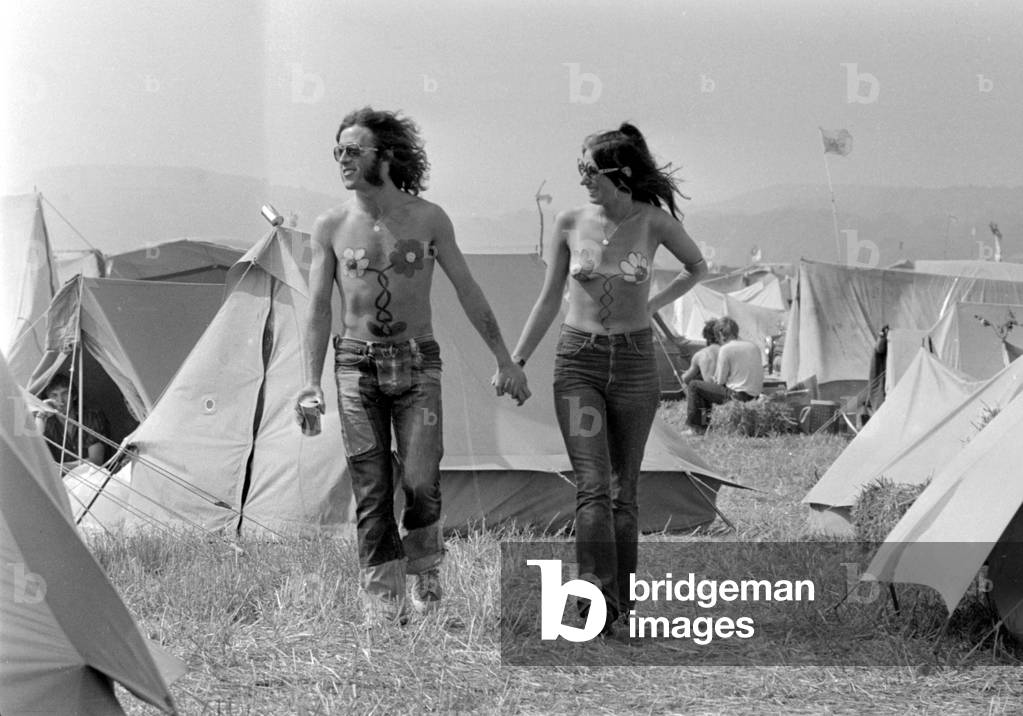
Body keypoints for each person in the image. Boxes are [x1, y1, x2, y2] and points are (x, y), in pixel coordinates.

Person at [296, 107, 530, 625]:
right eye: (338, 152)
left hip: (418, 363)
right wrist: (310, 383)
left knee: (421, 479)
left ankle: (425, 572)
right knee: (371, 484)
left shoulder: (429, 219)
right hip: (355, 366)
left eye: (353, 151)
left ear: (385, 156)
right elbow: (316, 307)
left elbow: (468, 290)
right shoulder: (330, 225)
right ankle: (384, 598)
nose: (343, 160)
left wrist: (503, 358)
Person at [510, 122, 706, 636]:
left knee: (625, 490)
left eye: (588, 171)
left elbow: (696, 267)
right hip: (579, 362)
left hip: (636, 364)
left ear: (619, 174)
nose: (582, 180)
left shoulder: (654, 223)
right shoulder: (570, 220)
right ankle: (591, 606)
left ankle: (621, 607)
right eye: (580, 170)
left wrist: (653, 304)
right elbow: (550, 296)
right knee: (593, 486)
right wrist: (517, 359)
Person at [684, 316, 764, 434]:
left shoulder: (726, 349)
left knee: (695, 385)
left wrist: (715, 378)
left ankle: (698, 427)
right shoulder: (753, 346)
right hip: (755, 396)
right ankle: (702, 425)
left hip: (738, 396)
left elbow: (720, 381)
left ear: (721, 335)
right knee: (703, 389)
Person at [34, 373, 110, 466]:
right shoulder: (47, 424)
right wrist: (41, 416)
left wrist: (60, 468)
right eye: (54, 395)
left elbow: (96, 461)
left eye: (65, 393)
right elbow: (34, 452)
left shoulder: (90, 416)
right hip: (66, 480)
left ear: (74, 396)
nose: (61, 400)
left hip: (98, 476)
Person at [681, 319, 720, 386]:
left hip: (711, 392)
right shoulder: (729, 351)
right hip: (731, 392)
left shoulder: (700, 355)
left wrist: (684, 374)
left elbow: (685, 378)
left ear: (705, 337)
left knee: (690, 384)